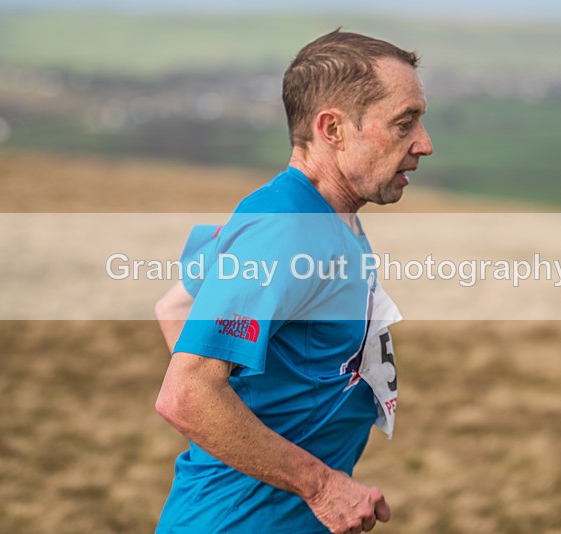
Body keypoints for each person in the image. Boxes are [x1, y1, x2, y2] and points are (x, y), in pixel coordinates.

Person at [154, 29, 433, 534]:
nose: (424, 143)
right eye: (403, 123)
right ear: (333, 128)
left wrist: (244, 419)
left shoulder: (325, 212)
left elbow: (174, 308)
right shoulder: (285, 230)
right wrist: (322, 487)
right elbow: (187, 394)